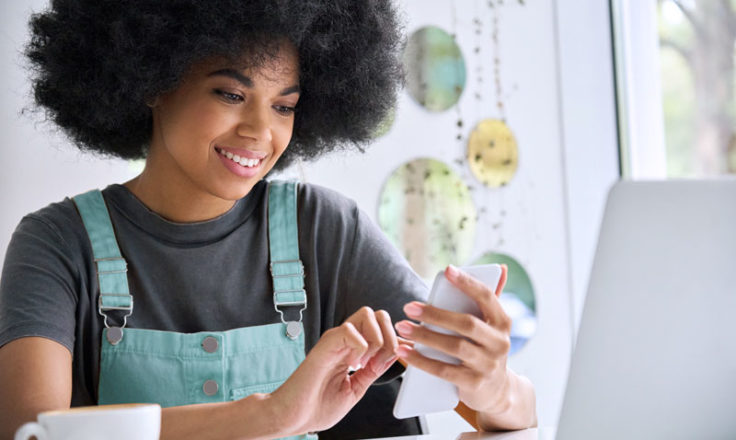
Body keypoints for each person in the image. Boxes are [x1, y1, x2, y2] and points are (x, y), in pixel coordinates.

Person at [0, 1, 537, 439]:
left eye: (284, 106)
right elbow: (28, 430)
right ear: (152, 83)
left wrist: (492, 387)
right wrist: (271, 416)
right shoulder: (58, 243)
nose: (261, 132)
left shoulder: (325, 230)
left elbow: (514, 412)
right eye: (232, 94)